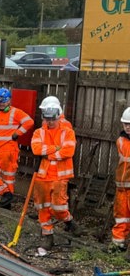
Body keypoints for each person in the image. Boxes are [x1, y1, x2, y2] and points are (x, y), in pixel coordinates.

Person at [31, 101, 79, 251]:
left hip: (60, 176)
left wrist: (49, 154)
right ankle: (47, 236)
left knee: (58, 207)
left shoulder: (67, 132)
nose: (50, 122)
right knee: (43, 207)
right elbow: (36, 149)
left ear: (59, 117)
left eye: (52, 119)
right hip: (43, 176)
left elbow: (68, 151)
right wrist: (56, 148)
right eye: (47, 119)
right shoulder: (39, 132)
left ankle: (68, 220)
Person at [110, 107, 130, 258]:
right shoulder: (121, 141)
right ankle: (118, 245)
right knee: (121, 217)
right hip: (122, 186)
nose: (127, 127)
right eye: (125, 124)